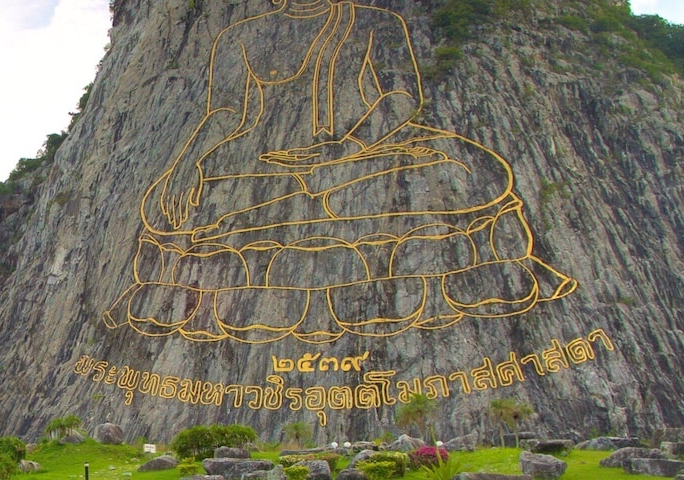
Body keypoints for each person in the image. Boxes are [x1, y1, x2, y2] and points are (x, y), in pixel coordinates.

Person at [107, 0, 575, 344]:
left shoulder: (375, 22)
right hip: (269, 169)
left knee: (467, 166)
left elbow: (400, 98)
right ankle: (306, 206)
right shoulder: (242, 36)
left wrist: (348, 147)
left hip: (367, 156)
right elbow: (228, 113)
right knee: (171, 205)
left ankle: (312, 206)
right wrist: (187, 162)